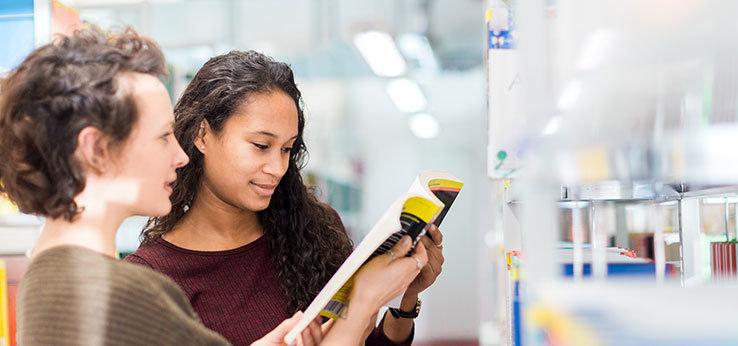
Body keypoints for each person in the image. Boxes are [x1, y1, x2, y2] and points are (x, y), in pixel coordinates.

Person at [0, 28, 427, 346]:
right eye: (162, 136)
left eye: (287, 149)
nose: (179, 155)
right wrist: (364, 301)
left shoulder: (45, 274)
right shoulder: (127, 294)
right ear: (95, 149)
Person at [126, 50, 446, 345]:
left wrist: (402, 303)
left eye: (287, 149)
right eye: (261, 146)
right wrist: (363, 300)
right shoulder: (151, 280)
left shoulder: (317, 229)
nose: (278, 168)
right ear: (202, 135)